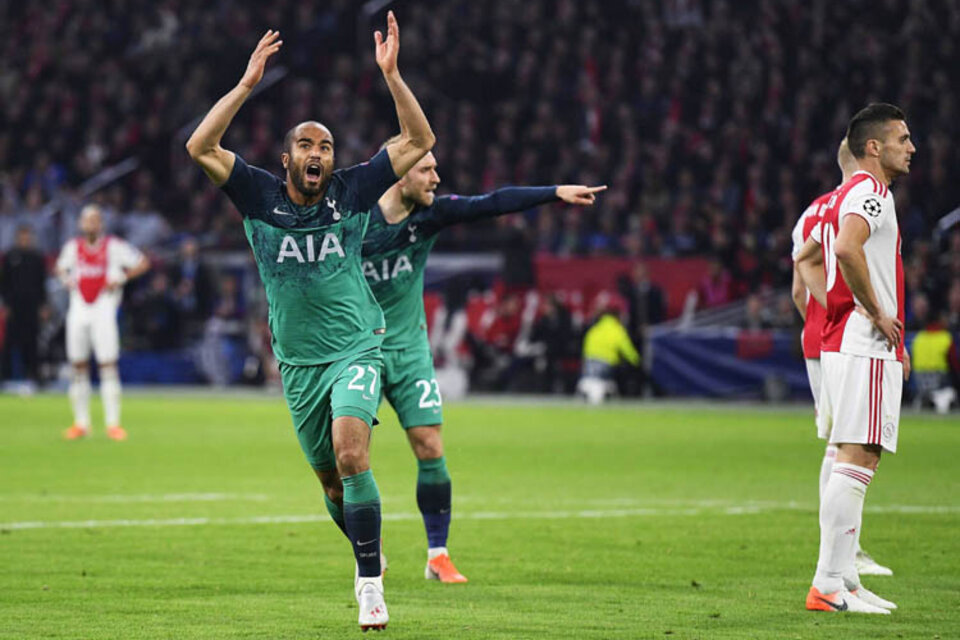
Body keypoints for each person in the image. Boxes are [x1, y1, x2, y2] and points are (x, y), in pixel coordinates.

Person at [185, 15, 434, 631]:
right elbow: (199, 147)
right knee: (330, 483)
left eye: (325, 146)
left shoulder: (351, 191)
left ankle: (371, 589)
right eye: (306, 144)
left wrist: (393, 76)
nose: (317, 154)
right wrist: (246, 85)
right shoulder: (256, 194)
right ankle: (364, 558)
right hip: (298, 365)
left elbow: (418, 140)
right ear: (288, 157)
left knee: (354, 456)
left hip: (357, 346)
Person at [361, 148, 605, 582]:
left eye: (437, 166)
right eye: (427, 169)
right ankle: (367, 546)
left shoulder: (430, 215)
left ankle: (438, 555)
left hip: (411, 350)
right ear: (399, 175)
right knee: (352, 457)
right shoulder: (356, 221)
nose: (437, 176)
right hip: (360, 351)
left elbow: (491, 202)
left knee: (430, 445)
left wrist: (554, 193)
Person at [795, 103, 914, 614]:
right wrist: (876, 313)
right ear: (874, 147)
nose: (911, 147)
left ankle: (844, 579)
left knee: (851, 455)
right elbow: (845, 249)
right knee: (858, 456)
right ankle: (827, 584)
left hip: (845, 340)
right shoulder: (869, 192)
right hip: (864, 343)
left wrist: (835, 308)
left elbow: (805, 260)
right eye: (903, 138)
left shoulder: (841, 195)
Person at [792, 139, 893, 578]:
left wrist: (821, 318)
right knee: (847, 450)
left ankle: (839, 558)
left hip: (820, 337)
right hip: (850, 337)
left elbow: (800, 280)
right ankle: (837, 560)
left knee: (839, 445)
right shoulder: (859, 201)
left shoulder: (814, 210)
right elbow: (840, 257)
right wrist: (857, 312)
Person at [57, 205, 150, 440]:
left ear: (101, 224)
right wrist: (67, 280)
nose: (91, 224)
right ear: (81, 224)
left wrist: (121, 278)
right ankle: (81, 423)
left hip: (104, 312)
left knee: (108, 366)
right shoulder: (72, 248)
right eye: (87, 220)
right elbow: (60, 268)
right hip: (78, 312)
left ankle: (113, 424)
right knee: (78, 367)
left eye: (95, 220)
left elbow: (142, 262)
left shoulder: (114, 246)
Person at [1, 225, 47, 388]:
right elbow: (4, 283)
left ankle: (34, 375)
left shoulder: (37, 257)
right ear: (17, 238)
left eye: (27, 237)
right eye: (22, 236)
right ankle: (4, 376)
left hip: (32, 306)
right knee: (9, 342)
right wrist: (5, 305)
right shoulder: (10, 256)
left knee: (33, 341)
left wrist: (43, 305)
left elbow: (42, 284)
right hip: (13, 306)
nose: (25, 240)